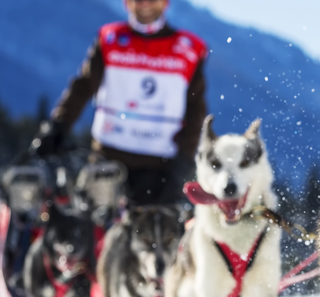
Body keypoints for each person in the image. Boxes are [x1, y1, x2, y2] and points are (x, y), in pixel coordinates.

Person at [31, 0, 208, 206]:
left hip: (160, 168)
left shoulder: (189, 49)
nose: (145, 4)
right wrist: (57, 127)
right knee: (95, 234)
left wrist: (184, 162)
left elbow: (196, 112)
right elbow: (82, 87)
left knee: (149, 236)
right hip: (106, 159)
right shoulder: (109, 39)